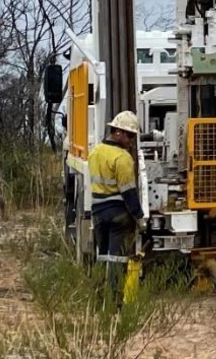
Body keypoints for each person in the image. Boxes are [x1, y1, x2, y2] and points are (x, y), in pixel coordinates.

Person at [88, 110, 145, 302]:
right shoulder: (123, 158)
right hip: (118, 215)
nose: (131, 140)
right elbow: (128, 192)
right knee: (117, 259)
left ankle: (97, 298)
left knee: (102, 256)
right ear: (117, 132)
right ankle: (115, 302)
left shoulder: (95, 152)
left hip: (98, 212)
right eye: (129, 135)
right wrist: (139, 216)